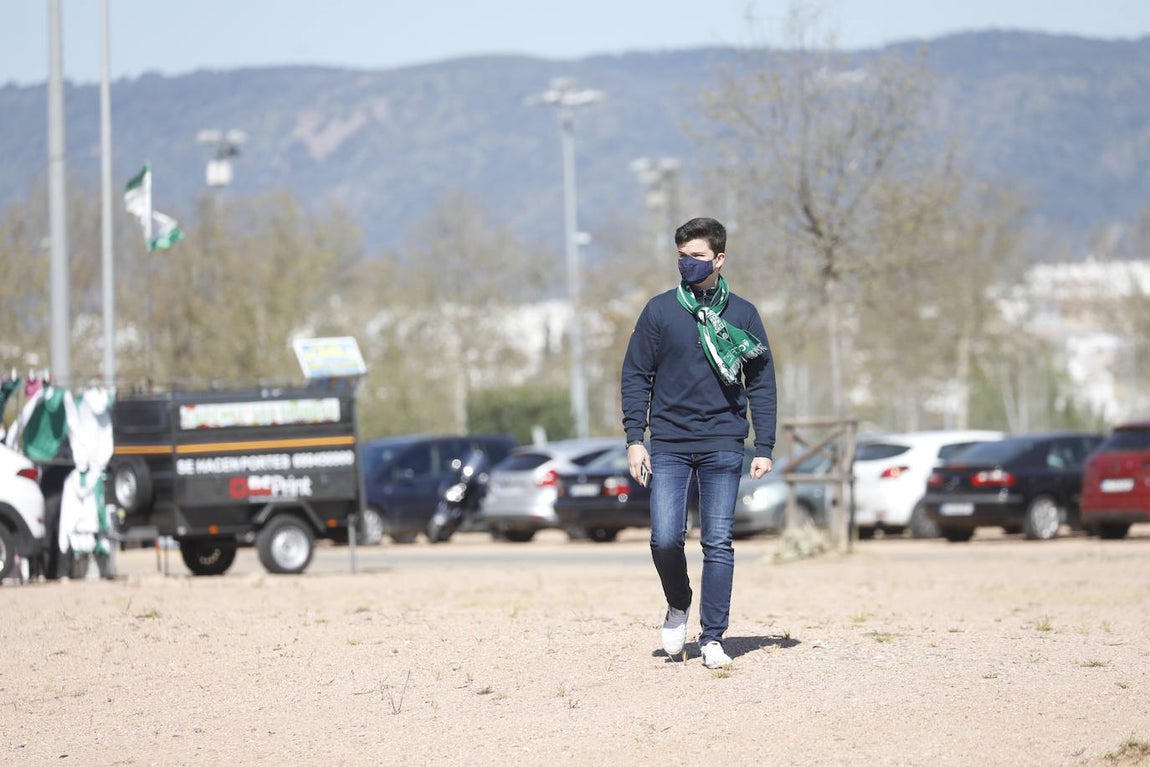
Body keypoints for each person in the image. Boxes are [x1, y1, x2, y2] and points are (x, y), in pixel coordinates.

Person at [621, 216, 777, 669]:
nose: (687, 264)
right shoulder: (659, 311)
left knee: (719, 542)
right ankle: (678, 603)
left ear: (719, 259)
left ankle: (712, 636)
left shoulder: (743, 314)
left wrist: (764, 444)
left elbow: (762, 382)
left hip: (724, 441)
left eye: (697, 256)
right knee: (665, 538)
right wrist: (635, 437)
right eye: (681, 256)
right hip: (667, 441)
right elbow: (636, 376)